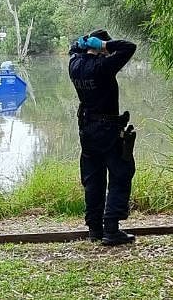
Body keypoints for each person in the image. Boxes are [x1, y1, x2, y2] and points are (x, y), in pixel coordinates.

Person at [68, 29, 138, 246]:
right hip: (108, 129)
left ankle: (95, 229)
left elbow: (72, 50)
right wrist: (106, 46)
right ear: (100, 49)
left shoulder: (75, 65)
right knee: (121, 174)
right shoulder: (103, 67)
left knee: (93, 179)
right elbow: (129, 47)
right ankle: (111, 229)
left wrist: (82, 44)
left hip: (87, 130)